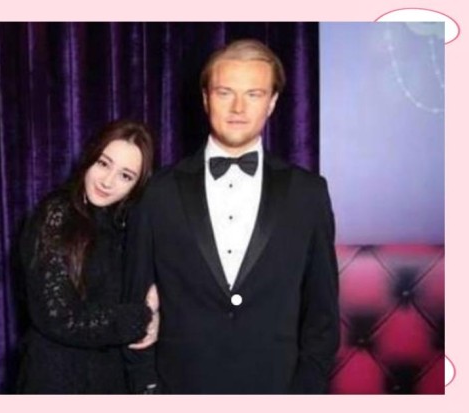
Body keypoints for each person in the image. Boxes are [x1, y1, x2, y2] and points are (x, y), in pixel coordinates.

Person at [125, 39, 339, 394]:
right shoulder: (158, 192)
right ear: (206, 98)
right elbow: (134, 302)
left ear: (272, 102)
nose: (238, 107)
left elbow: (323, 314)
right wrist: (147, 388)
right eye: (225, 92)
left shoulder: (308, 193)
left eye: (254, 94)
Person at [17, 120, 159, 394]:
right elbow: (59, 317)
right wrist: (141, 318)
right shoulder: (56, 213)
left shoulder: (127, 224)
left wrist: (157, 314)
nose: (107, 181)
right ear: (90, 158)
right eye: (104, 164)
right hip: (56, 378)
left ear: (136, 185)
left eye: (125, 176)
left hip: (110, 377)